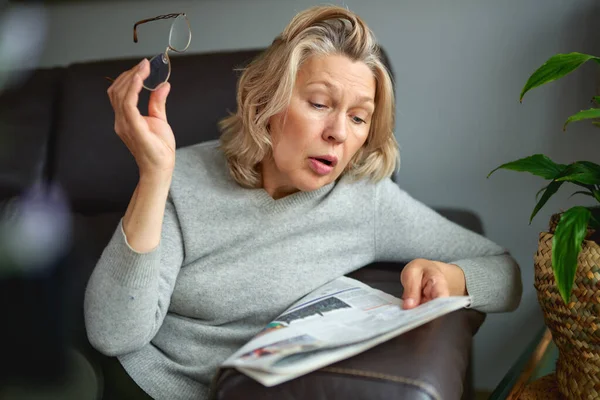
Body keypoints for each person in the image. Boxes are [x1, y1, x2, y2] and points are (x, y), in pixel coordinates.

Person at [84, 5, 522, 400]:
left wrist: (451, 277)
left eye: (358, 117)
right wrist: (155, 175)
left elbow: (505, 272)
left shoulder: (364, 202)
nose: (338, 132)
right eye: (319, 103)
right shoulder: (183, 177)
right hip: (137, 383)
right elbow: (114, 335)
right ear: (265, 103)